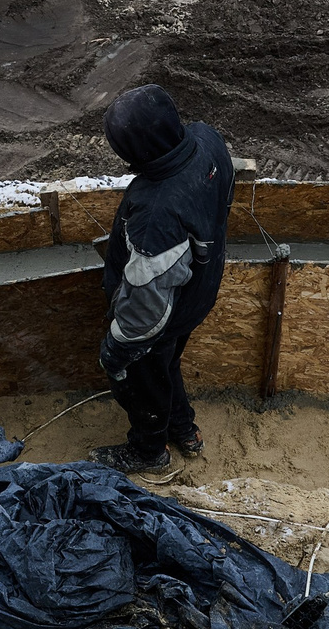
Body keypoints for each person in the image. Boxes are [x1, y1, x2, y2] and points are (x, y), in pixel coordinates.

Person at [92, 83, 235, 484]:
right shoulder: (206, 139)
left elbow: (146, 306)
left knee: (143, 372)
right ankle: (184, 429)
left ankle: (149, 450)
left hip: (168, 307)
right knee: (167, 360)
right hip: (200, 289)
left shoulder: (157, 212)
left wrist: (117, 349)